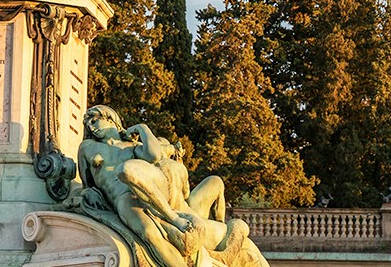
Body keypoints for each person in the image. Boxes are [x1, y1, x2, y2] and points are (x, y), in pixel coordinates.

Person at [77, 106, 267, 267]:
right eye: (88, 125)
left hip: (146, 193)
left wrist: (141, 128)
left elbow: (153, 156)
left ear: (110, 119)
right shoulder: (87, 147)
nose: (91, 128)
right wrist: (88, 192)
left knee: (128, 169)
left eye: (94, 121)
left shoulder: (131, 146)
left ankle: (173, 218)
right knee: (151, 235)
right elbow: (86, 183)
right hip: (123, 199)